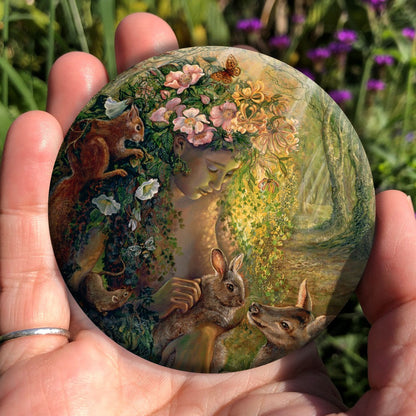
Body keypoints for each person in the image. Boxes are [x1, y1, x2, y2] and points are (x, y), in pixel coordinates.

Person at [0, 12, 415, 415]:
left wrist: (213, 324)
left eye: (230, 174)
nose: (220, 184)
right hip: (120, 347)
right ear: (182, 146)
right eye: (215, 169)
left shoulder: (218, 214)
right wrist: (150, 302)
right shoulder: (131, 201)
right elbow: (90, 279)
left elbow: (234, 291)